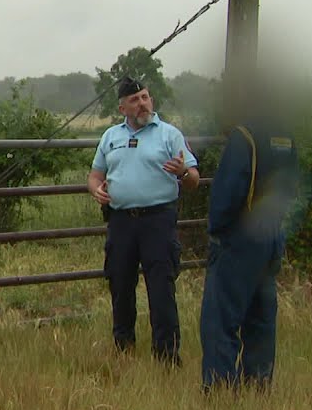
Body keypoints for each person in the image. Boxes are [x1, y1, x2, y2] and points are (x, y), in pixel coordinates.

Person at [88, 76, 200, 365]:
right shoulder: (111, 136)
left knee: (161, 288)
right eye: (135, 100)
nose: (143, 103)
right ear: (122, 107)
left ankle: (166, 356)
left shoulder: (170, 135)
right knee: (120, 286)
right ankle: (123, 349)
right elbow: (95, 175)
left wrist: (182, 172)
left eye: (146, 97)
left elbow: (194, 179)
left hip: (157, 221)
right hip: (121, 221)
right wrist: (96, 190)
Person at [199, 80, 300, 391]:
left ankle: (219, 390)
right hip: (271, 235)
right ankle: (258, 384)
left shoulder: (245, 136)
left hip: (239, 239)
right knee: (261, 317)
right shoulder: (286, 136)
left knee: (221, 319)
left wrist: (217, 231)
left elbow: (229, 192)